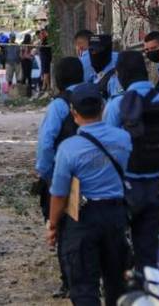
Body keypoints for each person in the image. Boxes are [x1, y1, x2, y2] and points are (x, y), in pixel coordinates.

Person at [46, 83, 132, 306]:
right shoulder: (123, 139)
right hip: (116, 215)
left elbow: (59, 193)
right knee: (116, 280)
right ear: (103, 108)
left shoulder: (69, 148)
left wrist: (54, 225)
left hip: (82, 218)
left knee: (84, 284)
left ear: (74, 112)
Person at [103, 51, 159, 272]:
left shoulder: (116, 106)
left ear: (120, 75)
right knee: (148, 255)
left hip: (123, 190)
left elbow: (106, 153)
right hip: (155, 188)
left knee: (114, 253)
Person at [34, 57, 85, 299]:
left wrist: (46, 175)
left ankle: (69, 282)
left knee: (63, 230)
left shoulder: (59, 105)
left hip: (64, 178)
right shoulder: (97, 99)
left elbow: (46, 144)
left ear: (58, 78)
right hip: (94, 177)